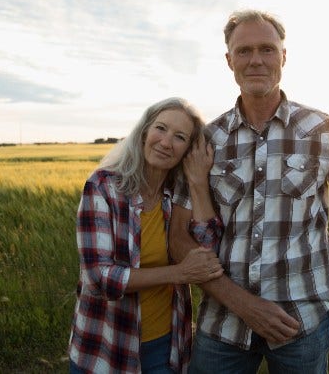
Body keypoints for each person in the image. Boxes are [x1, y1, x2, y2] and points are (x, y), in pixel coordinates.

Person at [169, 10, 329, 374]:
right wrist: (244, 305)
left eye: (267, 49)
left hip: (304, 321)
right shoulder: (209, 139)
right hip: (223, 325)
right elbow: (178, 238)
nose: (256, 60)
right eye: (244, 51)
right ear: (229, 61)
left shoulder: (320, 129)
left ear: (283, 57)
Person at [68, 97, 225, 373]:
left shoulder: (175, 192)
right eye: (160, 129)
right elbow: (99, 277)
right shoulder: (104, 187)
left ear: (188, 149)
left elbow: (208, 249)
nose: (166, 142)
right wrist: (179, 273)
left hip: (167, 347)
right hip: (106, 349)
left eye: (179, 137)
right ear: (144, 132)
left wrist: (198, 181)